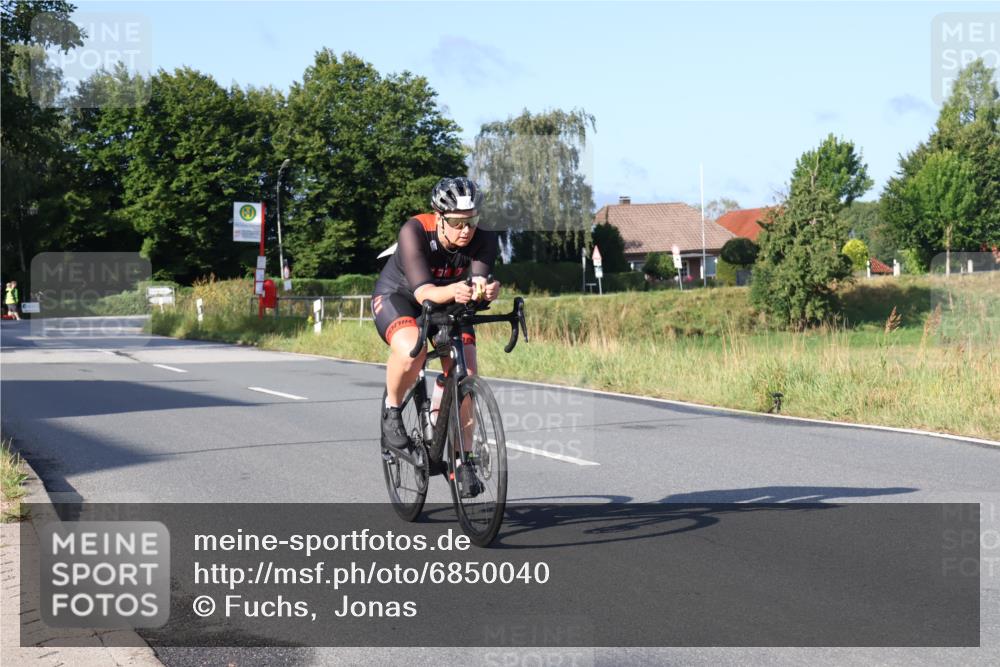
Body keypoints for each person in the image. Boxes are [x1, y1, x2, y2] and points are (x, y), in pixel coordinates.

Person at [372, 177, 500, 493]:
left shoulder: (484, 239)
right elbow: (424, 291)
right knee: (411, 349)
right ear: (439, 216)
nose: (466, 230)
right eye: (457, 223)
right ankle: (392, 410)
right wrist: (457, 290)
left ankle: (462, 461)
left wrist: (487, 292)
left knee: (466, 374)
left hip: (450, 302)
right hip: (400, 297)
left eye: (472, 222)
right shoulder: (414, 231)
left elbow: (477, 284)